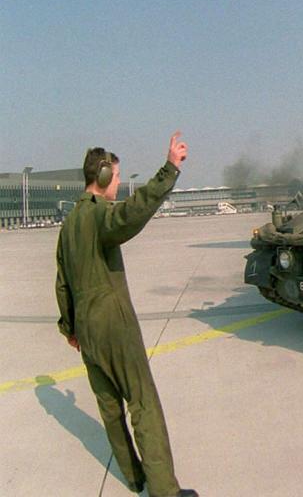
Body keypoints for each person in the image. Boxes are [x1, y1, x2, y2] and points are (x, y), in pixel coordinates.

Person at [55, 133, 198, 497]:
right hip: (113, 322)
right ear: (102, 177)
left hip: (86, 332)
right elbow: (131, 215)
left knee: (110, 410)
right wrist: (169, 170)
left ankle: (134, 479)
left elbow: (62, 283)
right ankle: (165, 491)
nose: (118, 183)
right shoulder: (99, 214)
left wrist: (70, 329)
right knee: (142, 401)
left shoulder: (69, 224)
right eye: (116, 177)